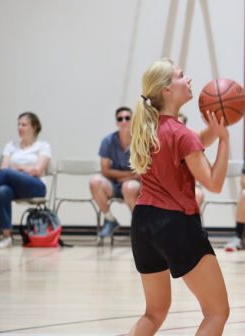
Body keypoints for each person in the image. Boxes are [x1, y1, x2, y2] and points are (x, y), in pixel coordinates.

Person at [128, 58, 229, 336]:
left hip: (143, 223)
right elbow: (214, 183)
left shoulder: (149, 129)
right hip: (175, 225)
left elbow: (196, 139)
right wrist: (225, 140)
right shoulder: (182, 134)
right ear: (167, 90)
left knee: (154, 312)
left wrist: (219, 122)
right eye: (182, 76)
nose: (189, 79)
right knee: (217, 312)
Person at [0, 112, 51, 248]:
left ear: (34, 127)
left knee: (6, 173)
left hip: (35, 186)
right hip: (15, 187)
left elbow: (36, 171)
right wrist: (22, 169)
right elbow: (2, 170)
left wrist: (16, 168)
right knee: (2, 190)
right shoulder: (11, 145)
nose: (20, 127)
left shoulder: (43, 146)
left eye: (24, 125)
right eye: (18, 124)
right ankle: (7, 237)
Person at [90, 107, 140, 239]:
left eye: (127, 118)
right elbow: (105, 171)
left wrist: (125, 177)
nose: (124, 121)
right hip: (115, 185)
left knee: (128, 186)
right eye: (120, 119)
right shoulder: (108, 141)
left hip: (136, 187)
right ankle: (109, 219)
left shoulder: (141, 140)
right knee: (95, 181)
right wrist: (129, 175)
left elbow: (143, 172)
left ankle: (137, 225)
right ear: (117, 122)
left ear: (133, 120)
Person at [178, 112, 204, 208]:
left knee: (197, 194)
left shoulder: (192, 145)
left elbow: (197, 174)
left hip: (188, 185)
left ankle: (191, 222)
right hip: (168, 186)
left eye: (179, 124)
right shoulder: (162, 143)